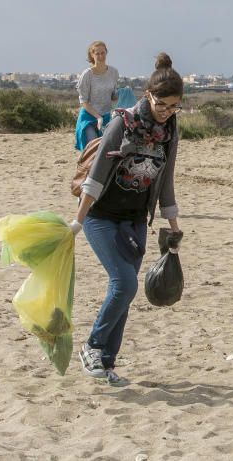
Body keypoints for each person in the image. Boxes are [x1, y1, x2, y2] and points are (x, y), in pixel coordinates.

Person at [68, 52, 183, 385]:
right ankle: (92, 346)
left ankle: (106, 363)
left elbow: (167, 183)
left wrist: (174, 228)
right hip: (100, 216)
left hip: (134, 220)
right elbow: (97, 175)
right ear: (148, 95)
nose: (166, 113)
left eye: (174, 107)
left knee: (124, 291)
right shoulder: (124, 122)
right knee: (125, 283)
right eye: (162, 105)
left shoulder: (171, 132)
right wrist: (78, 220)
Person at [74, 40, 120, 151]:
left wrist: (117, 100)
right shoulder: (87, 74)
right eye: (97, 53)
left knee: (107, 151)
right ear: (92, 55)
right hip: (89, 118)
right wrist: (98, 117)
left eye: (102, 53)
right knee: (94, 148)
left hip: (106, 118)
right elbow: (83, 101)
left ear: (106, 53)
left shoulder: (113, 72)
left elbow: (113, 96)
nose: (100, 56)